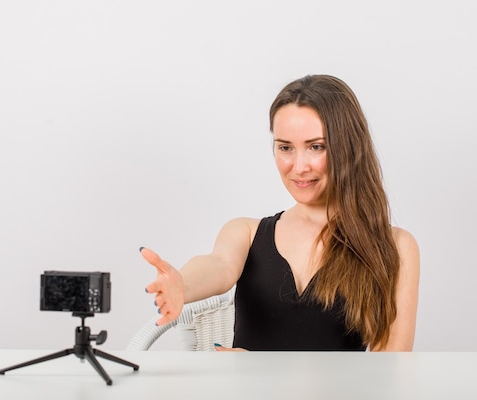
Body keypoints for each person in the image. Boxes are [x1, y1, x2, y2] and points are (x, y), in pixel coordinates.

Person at [139, 74, 420, 351]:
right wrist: (183, 286)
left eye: (316, 147)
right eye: (285, 147)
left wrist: (259, 371)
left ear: (349, 148)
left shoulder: (395, 247)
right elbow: (219, 265)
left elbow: (389, 372)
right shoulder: (246, 232)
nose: (298, 167)